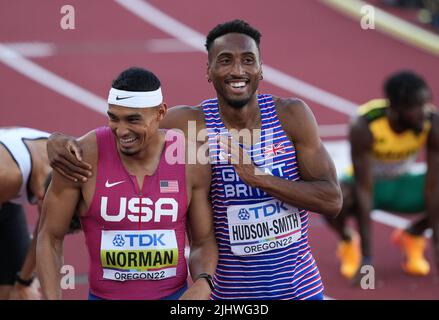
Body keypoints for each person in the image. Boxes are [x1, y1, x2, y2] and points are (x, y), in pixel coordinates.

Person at [46, 20, 342, 300]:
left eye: (248, 60)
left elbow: (331, 200)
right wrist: (57, 141)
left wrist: (258, 178)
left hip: (300, 288)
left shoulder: (291, 116)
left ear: (261, 69)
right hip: (229, 295)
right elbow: (127, 128)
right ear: (209, 70)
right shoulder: (190, 124)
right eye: (225, 60)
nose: (237, 70)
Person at [37, 67, 218, 300]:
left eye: (133, 120)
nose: (121, 131)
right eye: (114, 118)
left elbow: (203, 241)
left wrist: (204, 282)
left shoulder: (189, 160)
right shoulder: (81, 158)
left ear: (161, 113)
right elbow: (49, 236)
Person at [325, 71, 439, 281]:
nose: (424, 112)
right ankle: (349, 241)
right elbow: (364, 189)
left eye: (426, 103)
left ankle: (413, 235)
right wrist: (367, 261)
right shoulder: (364, 125)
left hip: (403, 183)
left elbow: (433, 189)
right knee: (332, 198)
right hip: (368, 185)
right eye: (416, 106)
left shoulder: (432, 122)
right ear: (395, 108)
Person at [0, 127, 50, 300]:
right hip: (5, 179)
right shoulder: (8, 176)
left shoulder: (71, 170)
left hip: (8, 193)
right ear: (42, 195)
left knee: (20, 293)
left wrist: (23, 281)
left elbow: (46, 233)